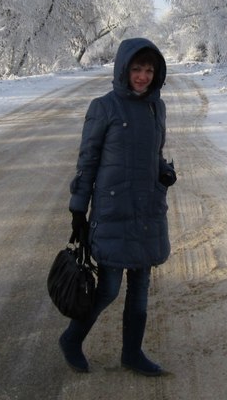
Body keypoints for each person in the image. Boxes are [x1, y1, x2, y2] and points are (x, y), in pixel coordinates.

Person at [58, 37, 177, 376]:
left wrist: (163, 172)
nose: (143, 76)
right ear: (123, 69)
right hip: (115, 211)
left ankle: (132, 354)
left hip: (148, 210)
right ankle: (71, 338)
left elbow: (154, 152)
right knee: (108, 288)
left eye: (149, 70)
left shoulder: (158, 107)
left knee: (140, 288)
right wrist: (78, 209)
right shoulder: (104, 107)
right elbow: (88, 160)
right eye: (137, 69)